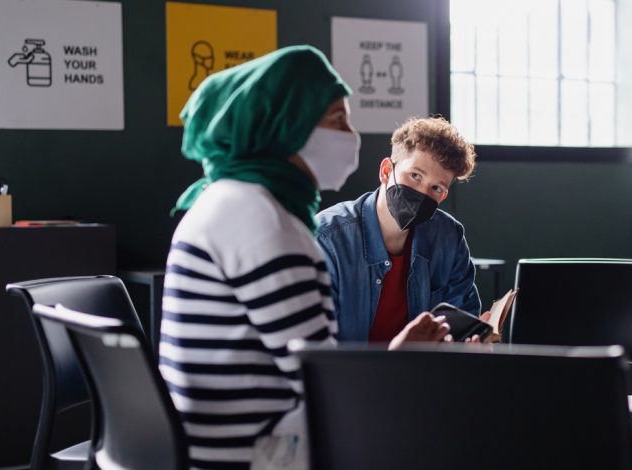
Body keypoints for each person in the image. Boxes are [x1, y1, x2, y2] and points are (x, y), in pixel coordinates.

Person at [159, 45, 453, 470]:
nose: (351, 135)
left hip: (215, 441)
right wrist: (400, 356)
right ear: (284, 123)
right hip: (257, 454)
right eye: (337, 118)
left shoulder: (226, 199)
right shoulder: (264, 222)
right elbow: (323, 387)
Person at [315, 117, 481, 342]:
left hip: (423, 373)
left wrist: (471, 341)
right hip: (351, 375)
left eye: (436, 188)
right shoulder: (327, 238)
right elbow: (317, 347)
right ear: (386, 171)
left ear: (444, 196)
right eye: (415, 176)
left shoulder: (449, 237)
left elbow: (464, 317)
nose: (422, 193)